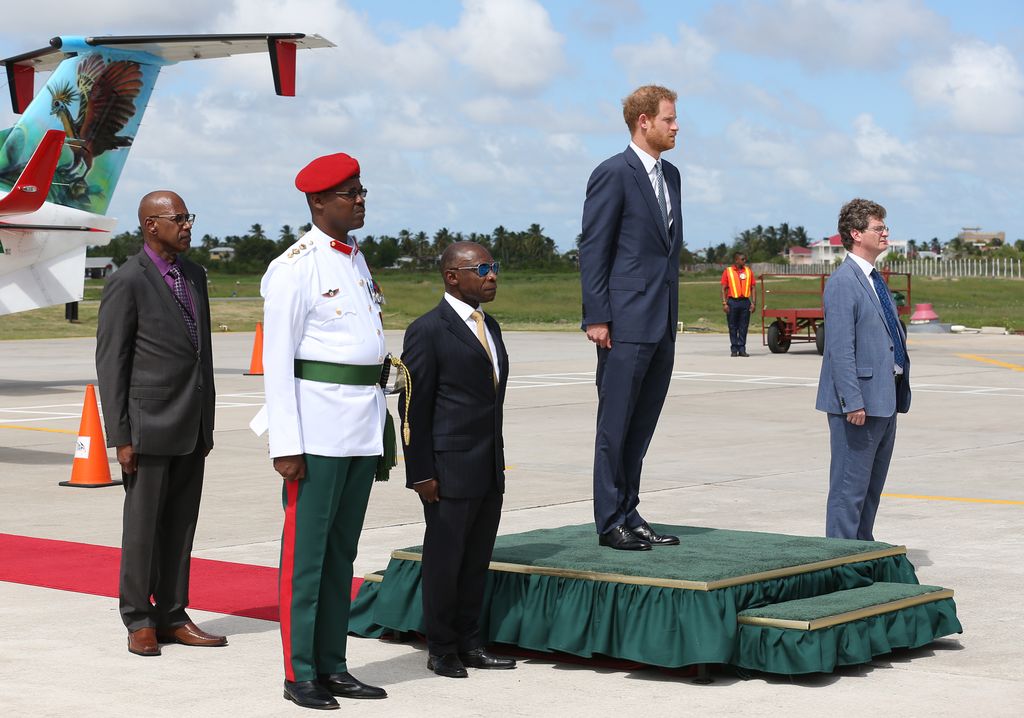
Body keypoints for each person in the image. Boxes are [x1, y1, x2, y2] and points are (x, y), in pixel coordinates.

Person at [260, 153, 388, 710]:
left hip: (359, 426)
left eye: (361, 190)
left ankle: (334, 665)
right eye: (348, 193)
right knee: (306, 560)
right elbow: (277, 363)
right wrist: (285, 445)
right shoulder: (295, 266)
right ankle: (300, 673)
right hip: (315, 434)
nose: (360, 199)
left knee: (342, 556)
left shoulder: (355, 260)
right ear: (317, 202)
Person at [95, 191, 225, 657]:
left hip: (192, 424)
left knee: (181, 527)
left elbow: (199, 352)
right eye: (179, 218)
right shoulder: (128, 280)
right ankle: (138, 618)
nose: (187, 225)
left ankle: (172, 612)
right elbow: (112, 362)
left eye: (189, 217)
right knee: (143, 527)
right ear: (151, 225)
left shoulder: (194, 275)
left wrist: (208, 418)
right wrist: (121, 436)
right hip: (148, 425)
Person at [399, 241, 516, 679]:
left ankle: (471, 642)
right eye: (481, 269)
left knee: (475, 559)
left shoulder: (492, 326)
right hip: (446, 470)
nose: (491, 276)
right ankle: (442, 648)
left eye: (493, 267)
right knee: (445, 562)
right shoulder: (428, 330)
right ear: (452, 276)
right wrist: (421, 471)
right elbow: (413, 405)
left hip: (487, 466)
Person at [579, 85, 683, 551]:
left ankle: (630, 510)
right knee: (615, 424)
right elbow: (594, 248)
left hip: (660, 322)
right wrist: (597, 316)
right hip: (622, 323)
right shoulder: (613, 173)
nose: (676, 126)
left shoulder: (672, 176)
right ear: (644, 121)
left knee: (641, 424)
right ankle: (609, 520)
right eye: (669, 119)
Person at [816, 198, 911, 540]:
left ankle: (862, 554)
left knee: (870, 490)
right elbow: (840, 349)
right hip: (859, 405)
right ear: (856, 234)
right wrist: (851, 401)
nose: (885, 233)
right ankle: (839, 562)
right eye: (878, 228)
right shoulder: (844, 282)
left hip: (884, 400)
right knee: (848, 491)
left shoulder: (873, 279)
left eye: (885, 227)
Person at [721, 252, 756, 356]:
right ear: (736, 260)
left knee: (743, 326)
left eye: (745, 259)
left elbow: (753, 288)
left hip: (745, 302)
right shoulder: (728, 271)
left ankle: (742, 348)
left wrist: (753, 303)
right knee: (732, 326)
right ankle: (734, 349)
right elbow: (723, 289)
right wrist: (724, 303)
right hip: (732, 302)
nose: (745, 261)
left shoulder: (748, 271)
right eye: (742, 259)